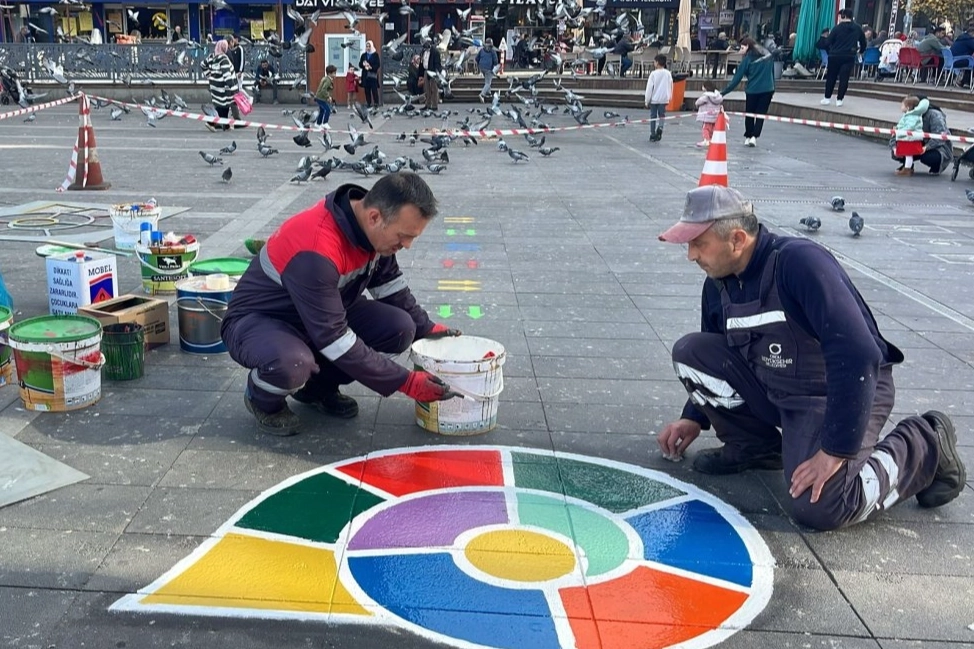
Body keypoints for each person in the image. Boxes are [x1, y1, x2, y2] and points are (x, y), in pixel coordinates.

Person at [655, 184, 966, 531]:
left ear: (738, 240)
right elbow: (716, 350)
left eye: (698, 244)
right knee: (690, 352)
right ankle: (755, 447)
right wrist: (693, 417)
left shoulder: (799, 263)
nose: (691, 255)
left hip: (835, 392)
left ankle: (925, 441)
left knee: (822, 507)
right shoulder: (718, 282)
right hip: (777, 388)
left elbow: (859, 354)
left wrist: (835, 449)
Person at [222, 173, 463, 435]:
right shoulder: (316, 249)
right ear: (374, 217)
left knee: (401, 328)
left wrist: (425, 326)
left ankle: (317, 390)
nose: (407, 245)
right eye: (404, 236)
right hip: (262, 322)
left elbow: (389, 285)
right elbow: (334, 338)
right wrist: (406, 382)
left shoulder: (372, 230)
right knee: (292, 363)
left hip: (322, 315)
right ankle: (262, 398)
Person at [720, 36, 775, 148]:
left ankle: (748, 136)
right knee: (760, 115)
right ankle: (754, 137)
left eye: (742, 48)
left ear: (748, 47)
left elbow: (737, 78)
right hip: (768, 89)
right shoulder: (768, 56)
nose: (740, 50)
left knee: (749, 113)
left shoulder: (748, 59)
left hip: (753, 90)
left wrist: (723, 93)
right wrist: (774, 88)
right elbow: (772, 73)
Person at [890, 97, 953, 174]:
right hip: (915, 142)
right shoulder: (908, 115)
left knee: (929, 157)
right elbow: (899, 132)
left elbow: (940, 136)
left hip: (937, 147)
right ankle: (908, 165)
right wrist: (894, 147)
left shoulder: (934, 115)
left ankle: (936, 167)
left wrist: (926, 147)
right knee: (899, 150)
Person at [821, 9, 866, 107]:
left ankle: (827, 98)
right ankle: (839, 99)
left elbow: (828, 42)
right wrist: (861, 51)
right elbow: (863, 42)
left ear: (843, 16)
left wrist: (830, 48)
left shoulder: (836, 28)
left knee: (831, 77)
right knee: (844, 78)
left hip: (835, 55)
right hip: (849, 56)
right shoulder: (857, 28)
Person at [200, 39, 236, 131]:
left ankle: (225, 125)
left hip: (214, 86)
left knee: (224, 106)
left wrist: (209, 75)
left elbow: (202, 64)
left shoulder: (212, 56)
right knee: (222, 106)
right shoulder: (223, 59)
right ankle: (211, 123)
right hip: (223, 87)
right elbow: (226, 74)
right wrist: (232, 87)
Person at [892, 95, 928, 176]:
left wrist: (899, 131)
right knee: (907, 154)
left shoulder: (912, 116)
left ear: (908, 108)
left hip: (909, 138)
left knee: (908, 154)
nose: (901, 107)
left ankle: (907, 169)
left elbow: (909, 126)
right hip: (909, 138)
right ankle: (907, 167)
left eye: (902, 105)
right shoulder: (912, 115)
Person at [644, 54, 673, 143]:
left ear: (657, 63)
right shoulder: (668, 73)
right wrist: (669, 96)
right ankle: (660, 127)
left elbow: (649, 88)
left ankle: (652, 134)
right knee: (662, 115)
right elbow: (671, 85)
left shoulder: (653, 74)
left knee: (653, 116)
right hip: (664, 98)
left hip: (654, 99)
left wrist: (647, 100)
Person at [694, 80, 723, 148]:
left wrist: (696, 104)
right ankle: (712, 139)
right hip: (715, 116)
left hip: (707, 117)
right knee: (713, 128)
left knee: (705, 129)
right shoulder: (718, 96)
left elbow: (698, 102)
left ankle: (706, 140)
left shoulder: (706, 96)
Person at [419, 39, 442, 110]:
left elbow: (438, 64)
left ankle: (434, 105)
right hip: (426, 71)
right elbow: (421, 62)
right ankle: (428, 104)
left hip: (433, 72)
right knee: (426, 89)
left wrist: (436, 73)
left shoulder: (435, 52)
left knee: (434, 89)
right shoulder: (423, 51)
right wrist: (420, 74)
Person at [359, 40, 381, 108]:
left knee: (374, 90)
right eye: (367, 46)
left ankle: (376, 103)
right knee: (367, 90)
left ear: (371, 46)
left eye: (369, 46)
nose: (368, 48)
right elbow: (360, 64)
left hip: (372, 75)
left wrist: (371, 67)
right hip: (365, 75)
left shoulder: (375, 55)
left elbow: (378, 64)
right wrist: (363, 65)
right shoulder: (364, 55)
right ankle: (368, 103)